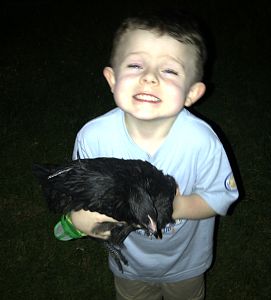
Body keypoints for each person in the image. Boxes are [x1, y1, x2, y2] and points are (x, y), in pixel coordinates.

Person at [61, 10, 239, 300]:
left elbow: (221, 198)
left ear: (192, 93)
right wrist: (83, 218)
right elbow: (79, 194)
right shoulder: (93, 137)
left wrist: (173, 206)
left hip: (186, 264)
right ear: (112, 78)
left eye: (169, 70)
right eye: (135, 65)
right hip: (129, 264)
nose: (149, 78)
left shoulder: (201, 141)